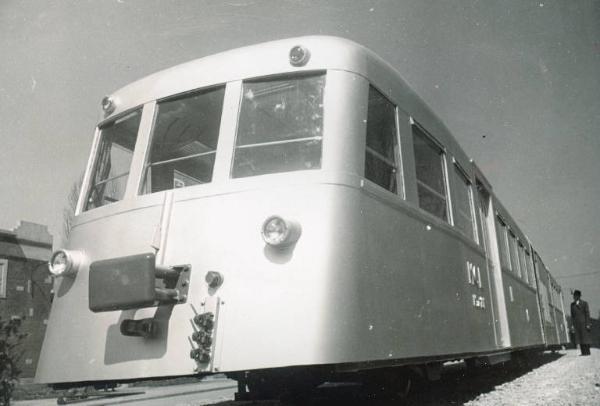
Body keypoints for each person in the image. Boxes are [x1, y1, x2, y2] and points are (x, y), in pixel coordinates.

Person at [570, 290, 592, 355]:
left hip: (584, 323)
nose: (574, 297)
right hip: (576, 324)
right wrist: (572, 325)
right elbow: (572, 316)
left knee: (585, 338)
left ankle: (587, 352)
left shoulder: (584, 303)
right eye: (574, 295)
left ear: (579, 296)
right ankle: (583, 352)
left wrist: (588, 323)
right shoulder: (572, 305)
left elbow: (587, 313)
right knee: (579, 338)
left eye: (575, 295)